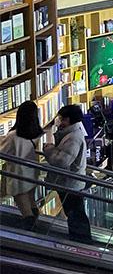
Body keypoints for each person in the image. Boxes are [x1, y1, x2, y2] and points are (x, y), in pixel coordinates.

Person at [43, 103, 92, 243]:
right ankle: (81, 241)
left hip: (70, 183)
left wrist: (48, 147)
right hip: (71, 182)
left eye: (61, 119)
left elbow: (60, 161)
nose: (59, 121)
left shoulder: (73, 138)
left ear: (68, 120)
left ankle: (81, 242)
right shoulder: (71, 134)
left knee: (75, 213)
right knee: (75, 212)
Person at [0, 100, 43, 228]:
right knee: (30, 200)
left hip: (17, 173)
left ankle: (29, 230)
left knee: (22, 202)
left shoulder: (14, 135)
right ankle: (36, 223)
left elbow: (3, 151)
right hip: (32, 170)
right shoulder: (36, 132)